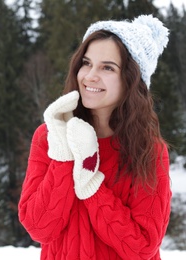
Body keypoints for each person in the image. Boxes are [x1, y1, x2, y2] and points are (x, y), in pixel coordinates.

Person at [18, 15, 172, 259]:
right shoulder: (50, 135)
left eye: (107, 67)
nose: (90, 76)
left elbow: (142, 247)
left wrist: (91, 185)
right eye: (87, 63)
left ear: (132, 79)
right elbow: (39, 228)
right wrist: (63, 155)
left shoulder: (147, 150)